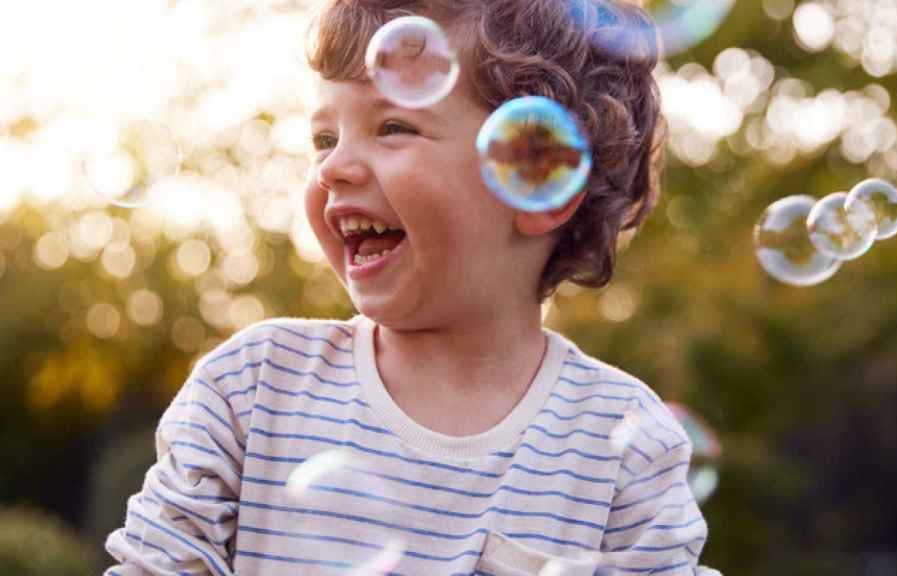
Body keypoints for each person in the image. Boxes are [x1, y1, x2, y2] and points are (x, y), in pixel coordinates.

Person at [104, 0, 720, 574]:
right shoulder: (251, 389)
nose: (332, 167)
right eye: (325, 138)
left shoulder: (621, 446)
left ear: (540, 178)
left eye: (393, 126)